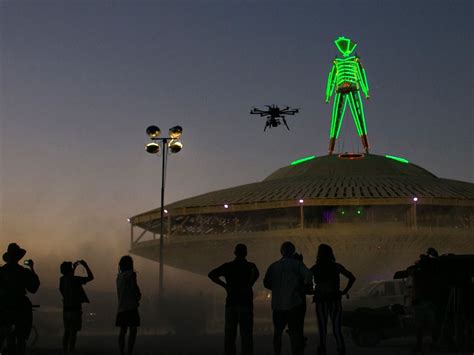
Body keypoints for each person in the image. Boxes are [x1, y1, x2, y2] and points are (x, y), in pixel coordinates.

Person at [208, 244, 259, 355]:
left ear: (234, 253)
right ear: (246, 253)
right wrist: (248, 286)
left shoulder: (228, 266)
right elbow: (256, 275)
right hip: (246, 304)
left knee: (230, 335)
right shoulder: (251, 266)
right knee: (246, 335)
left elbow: (211, 274)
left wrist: (225, 286)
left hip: (231, 303)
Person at [264, 241, 312, 355]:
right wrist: (304, 287)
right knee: (294, 332)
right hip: (293, 304)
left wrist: (276, 288)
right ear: (293, 251)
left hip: (277, 305)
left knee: (277, 333)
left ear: (281, 252)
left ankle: (277, 352)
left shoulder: (273, 266)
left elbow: (266, 283)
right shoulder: (297, 264)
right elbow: (308, 274)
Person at [310, 244, 355, 355]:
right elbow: (352, 277)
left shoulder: (315, 268)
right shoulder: (336, 266)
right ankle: (341, 349)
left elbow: (304, 279)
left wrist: (312, 290)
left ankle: (322, 350)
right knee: (337, 329)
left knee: (322, 329)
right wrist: (344, 291)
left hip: (321, 300)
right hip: (335, 299)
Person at [0, 243, 40, 355]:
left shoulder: (1, 271)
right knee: (21, 338)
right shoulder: (23, 272)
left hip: (4, 308)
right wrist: (32, 268)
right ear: (18, 257)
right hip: (20, 309)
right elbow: (34, 288)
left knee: (6, 335)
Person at [59, 259, 94, 353]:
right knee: (73, 333)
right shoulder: (75, 279)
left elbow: (70, 278)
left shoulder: (62, 280)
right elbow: (91, 277)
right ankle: (71, 350)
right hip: (75, 310)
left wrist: (73, 268)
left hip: (66, 310)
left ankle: (65, 350)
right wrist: (86, 265)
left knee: (66, 331)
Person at [116, 256, 141, 355]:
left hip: (121, 307)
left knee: (123, 330)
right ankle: (130, 351)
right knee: (133, 330)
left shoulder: (118, 277)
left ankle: (122, 351)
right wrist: (138, 296)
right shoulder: (131, 274)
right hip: (131, 306)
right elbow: (134, 287)